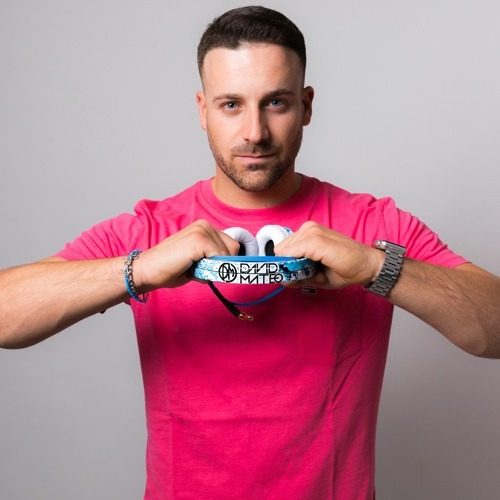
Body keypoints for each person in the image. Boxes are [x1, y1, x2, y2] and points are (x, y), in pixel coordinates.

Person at [1, 5, 499, 499]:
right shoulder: (151, 229)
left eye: (276, 103)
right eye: (231, 105)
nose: (255, 133)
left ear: (306, 105)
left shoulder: (371, 226)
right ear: (203, 110)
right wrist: (141, 269)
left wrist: (374, 267)